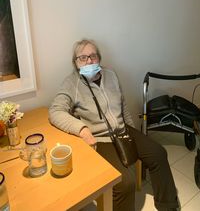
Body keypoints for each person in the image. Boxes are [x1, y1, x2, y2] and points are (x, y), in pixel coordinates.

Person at [49, 39, 180, 211]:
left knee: (159, 153)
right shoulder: (71, 83)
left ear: (99, 58)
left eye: (92, 56)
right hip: (100, 139)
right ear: (75, 62)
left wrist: (134, 138)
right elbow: (55, 112)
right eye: (82, 57)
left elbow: (123, 105)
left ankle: (168, 206)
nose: (88, 61)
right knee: (125, 183)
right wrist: (83, 130)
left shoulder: (111, 75)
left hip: (123, 130)